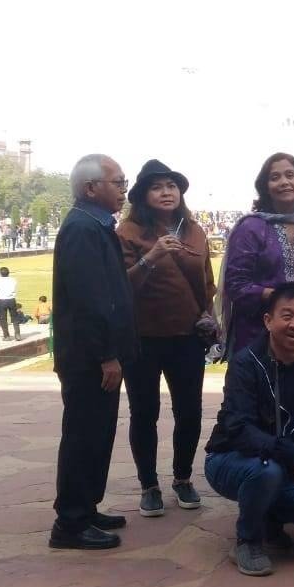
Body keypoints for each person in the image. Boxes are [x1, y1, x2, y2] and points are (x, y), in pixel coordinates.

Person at [205, 283, 294, 576]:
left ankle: (268, 517)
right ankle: (248, 540)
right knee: (266, 472)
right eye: (287, 315)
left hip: (285, 463)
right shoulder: (246, 363)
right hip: (232, 459)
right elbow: (239, 428)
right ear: (268, 320)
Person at [118, 160, 217, 518]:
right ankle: (149, 485)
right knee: (144, 412)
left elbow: (207, 281)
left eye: (171, 186)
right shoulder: (128, 232)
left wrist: (208, 314)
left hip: (187, 336)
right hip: (143, 337)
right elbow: (122, 285)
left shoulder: (194, 230)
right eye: (157, 186)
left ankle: (182, 477)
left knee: (189, 411)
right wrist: (154, 255)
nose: (166, 192)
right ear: (143, 195)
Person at [50, 154, 138, 550]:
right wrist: (106, 354)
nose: (124, 190)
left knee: (99, 433)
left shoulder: (95, 225)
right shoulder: (83, 229)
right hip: (88, 358)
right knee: (84, 436)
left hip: (96, 354)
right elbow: (90, 300)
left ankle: (85, 508)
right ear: (91, 188)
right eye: (118, 183)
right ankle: (70, 522)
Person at [219, 152, 294, 355]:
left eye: (290, 175)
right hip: (256, 333)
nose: (284, 182)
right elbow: (236, 284)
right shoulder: (250, 227)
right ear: (265, 186)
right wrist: (279, 298)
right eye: (275, 177)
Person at [0, 267, 21, 341]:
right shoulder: (13, 280)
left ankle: (6, 336)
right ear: (8, 273)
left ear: (0, 273)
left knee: (3, 319)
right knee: (14, 317)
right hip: (11, 300)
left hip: (2, 301)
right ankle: (17, 334)